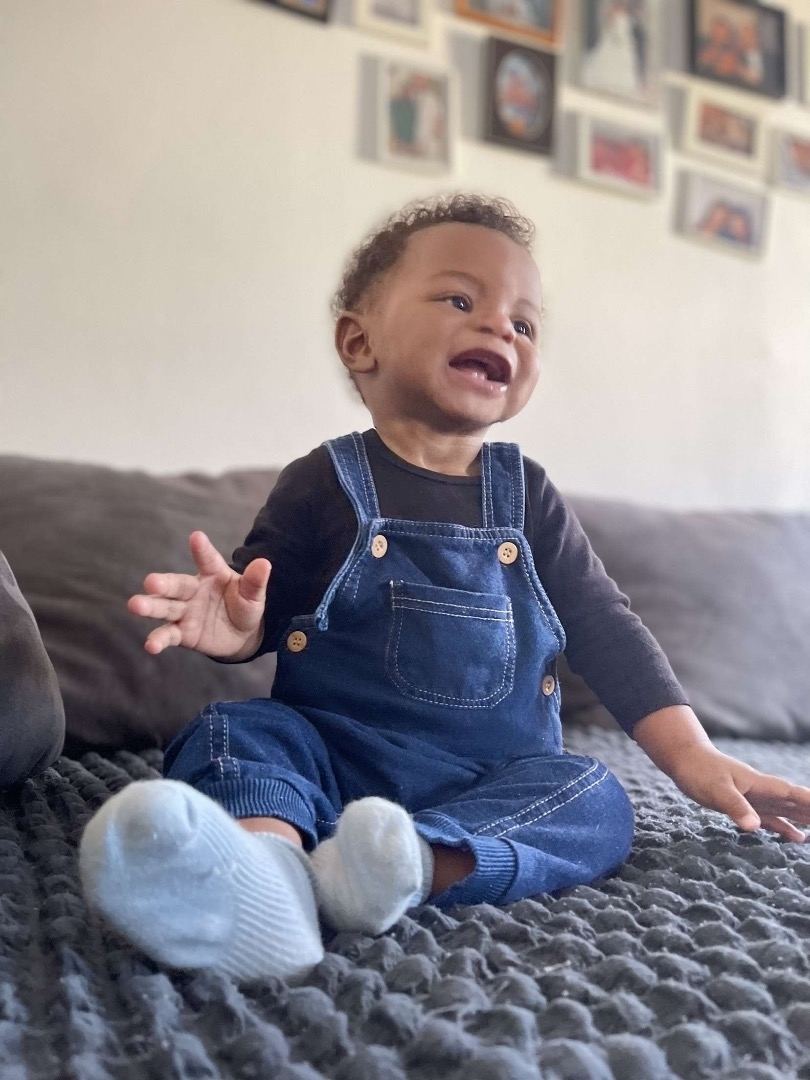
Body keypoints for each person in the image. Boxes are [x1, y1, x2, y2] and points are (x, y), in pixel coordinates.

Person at [79, 194, 810, 984]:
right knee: (231, 731)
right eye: (460, 300)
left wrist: (694, 756)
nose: (500, 327)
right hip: (333, 757)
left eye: (524, 323)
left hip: (489, 782)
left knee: (594, 796)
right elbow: (262, 601)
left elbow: (606, 629)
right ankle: (269, 880)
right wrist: (239, 629)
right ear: (360, 341)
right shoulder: (322, 482)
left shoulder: (529, 498)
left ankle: (402, 871)